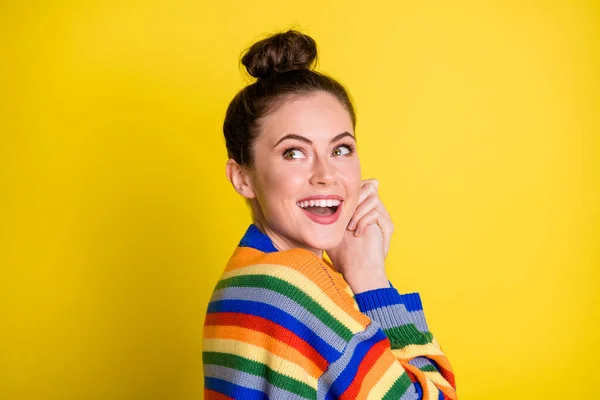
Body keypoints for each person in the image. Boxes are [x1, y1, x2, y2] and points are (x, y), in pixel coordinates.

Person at [203, 29, 457, 400]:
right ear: (243, 178)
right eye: (294, 152)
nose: (326, 175)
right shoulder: (298, 285)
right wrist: (370, 280)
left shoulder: (242, 279)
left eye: (340, 149)